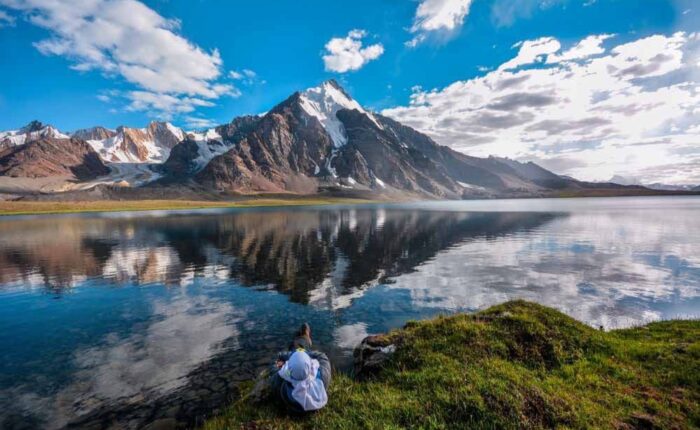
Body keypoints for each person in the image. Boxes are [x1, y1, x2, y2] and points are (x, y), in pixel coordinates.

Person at [265, 323, 331, 413]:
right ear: (310, 366)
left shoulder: (281, 381)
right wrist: (305, 354)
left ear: (289, 367)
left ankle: (298, 341)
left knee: (294, 348)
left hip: (293, 359)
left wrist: (292, 355)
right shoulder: (322, 378)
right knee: (302, 347)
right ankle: (305, 338)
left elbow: (274, 363)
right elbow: (322, 357)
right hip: (303, 354)